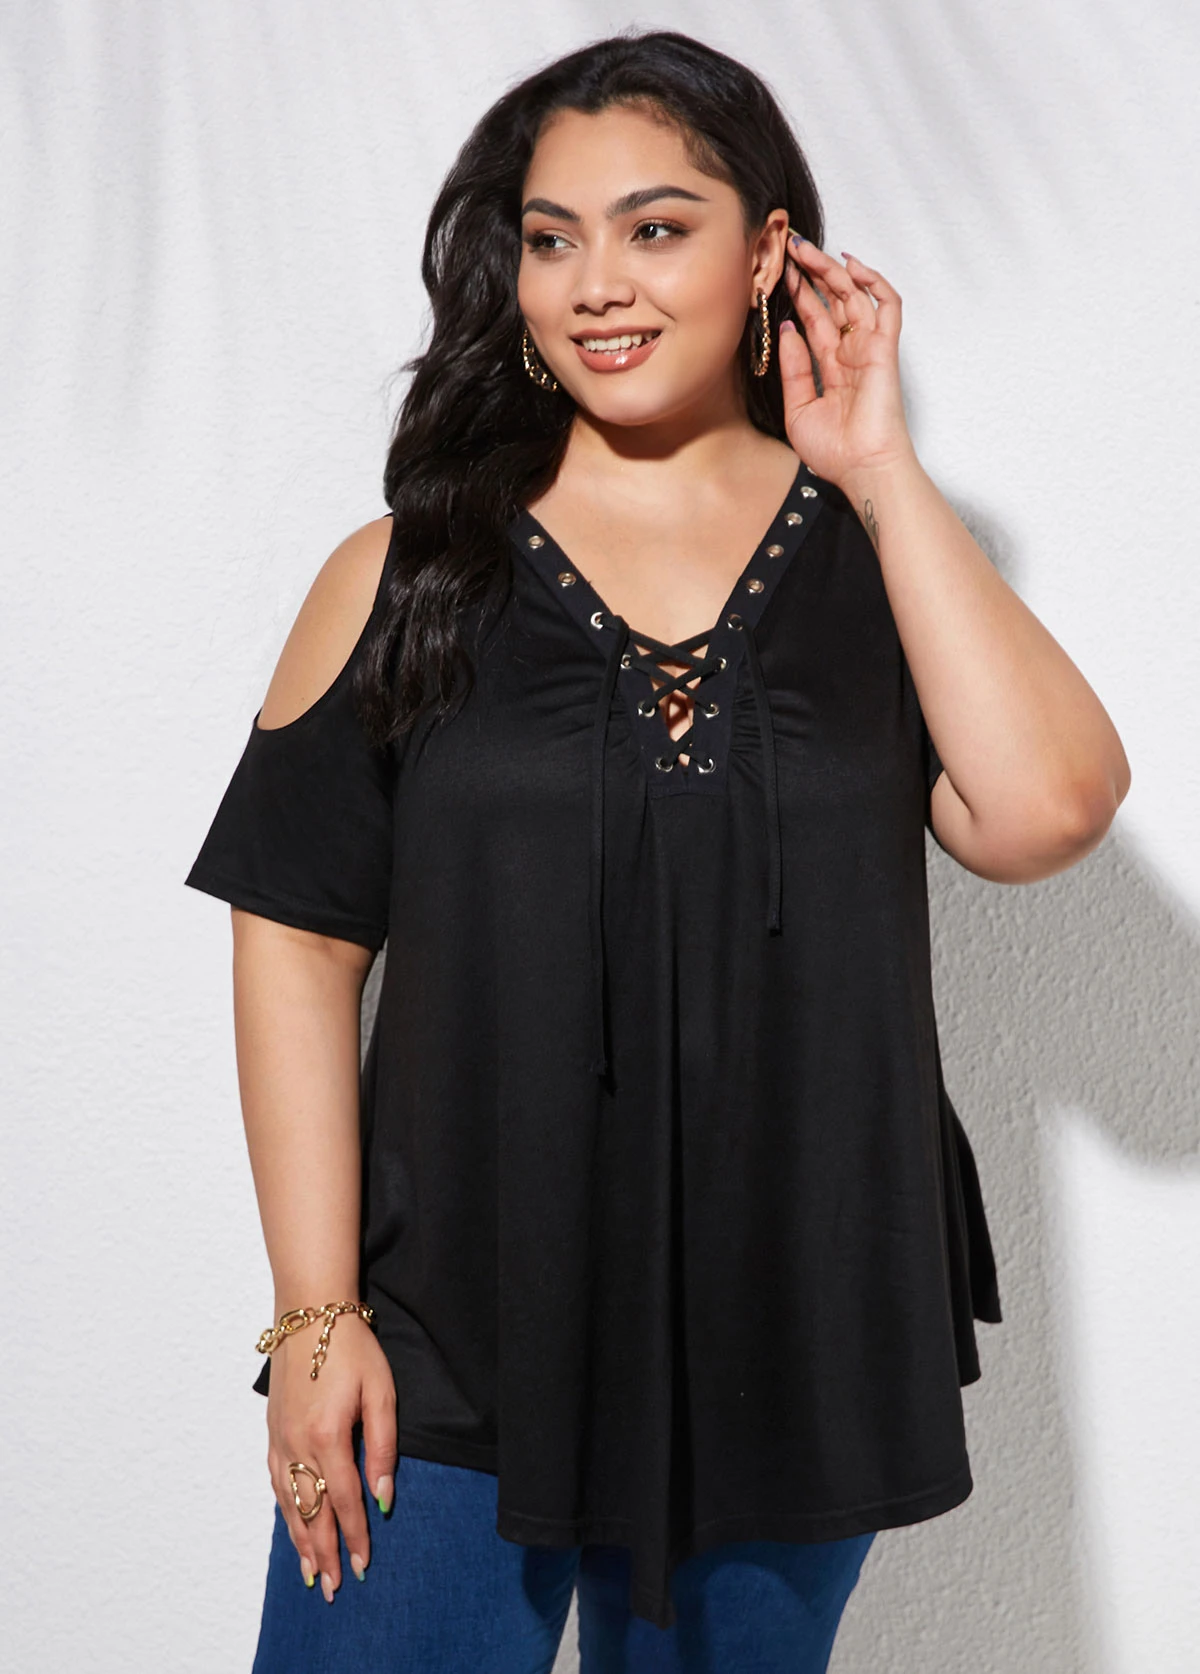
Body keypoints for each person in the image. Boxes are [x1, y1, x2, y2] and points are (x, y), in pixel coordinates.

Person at [184, 28, 1131, 1674]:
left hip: (789, 1324)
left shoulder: (883, 566)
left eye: (657, 228)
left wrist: (880, 469)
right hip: (447, 1330)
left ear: (769, 254)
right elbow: (297, 936)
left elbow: (1047, 812)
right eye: (553, 238)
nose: (596, 284)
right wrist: (317, 1312)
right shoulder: (408, 568)